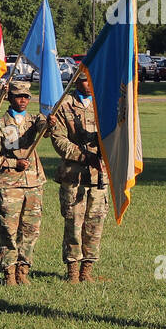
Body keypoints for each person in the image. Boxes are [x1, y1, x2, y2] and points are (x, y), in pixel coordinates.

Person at [0, 81, 47, 284]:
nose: (23, 100)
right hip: (10, 184)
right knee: (9, 229)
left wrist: (49, 123)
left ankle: (23, 270)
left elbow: (46, 128)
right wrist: (11, 162)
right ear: (9, 97)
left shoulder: (35, 120)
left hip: (34, 183)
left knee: (30, 230)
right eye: (19, 96)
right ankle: (9, 271)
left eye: (26, 97)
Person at [50, 69, 108, 282]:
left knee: (95, 224)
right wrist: (84, 156)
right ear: (76, 81)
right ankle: (73, 270)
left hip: (98, 176)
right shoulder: (63, 105)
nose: (89, 84)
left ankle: (88, 270)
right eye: (85, 80)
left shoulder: (103, 104)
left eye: (92, 80)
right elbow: (59, 140)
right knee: (74, 224)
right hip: (73, 176)